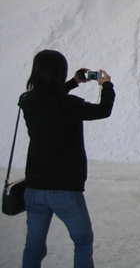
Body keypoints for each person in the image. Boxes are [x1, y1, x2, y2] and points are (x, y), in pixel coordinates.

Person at [19, 50, 115, 267]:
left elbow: (49, 97)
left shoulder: (26, 100)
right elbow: (103, 110)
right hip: (64, 189)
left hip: (34, 188)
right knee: (82, 241)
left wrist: (74, 82)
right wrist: (106, 85)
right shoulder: (68, 104)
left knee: (33, 247)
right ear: (58, 73)